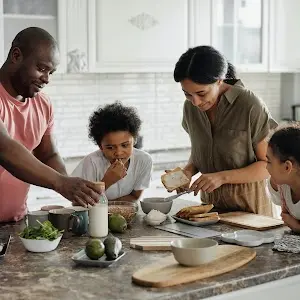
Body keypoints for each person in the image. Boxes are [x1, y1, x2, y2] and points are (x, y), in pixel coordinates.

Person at [0, 27, 101, 223]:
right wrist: (60, 183)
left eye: (51, 72)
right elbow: (4, 148)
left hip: (15, 223)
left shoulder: (42, 103)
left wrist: (73, 189)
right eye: (42, 68)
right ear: (16, 55)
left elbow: (48, 154)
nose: (46, 79)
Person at [167, 45, 277, 216]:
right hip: (210, 211)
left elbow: (268, 166)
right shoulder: (190, 108)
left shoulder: (249, 105)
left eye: (201, 93)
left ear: (220, 80)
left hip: (251, 211)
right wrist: (187, 172)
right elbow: (201, 153)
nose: (195, 102)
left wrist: (221, 177)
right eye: (187, 94)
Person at [72, 101, 153, 202]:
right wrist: (107, 181)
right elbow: (78, 203)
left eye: (125, 145)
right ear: (100, 146)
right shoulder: (91, 162)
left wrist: (110, 208)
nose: (118, 153)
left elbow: (134, 197)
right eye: (110, 147)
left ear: (134, 140)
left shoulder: (143, 160)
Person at [267, 124, 300, 232]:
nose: (266, 167)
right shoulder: (281, 186)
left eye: (269, 162)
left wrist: (297, 227)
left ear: (287, 167)